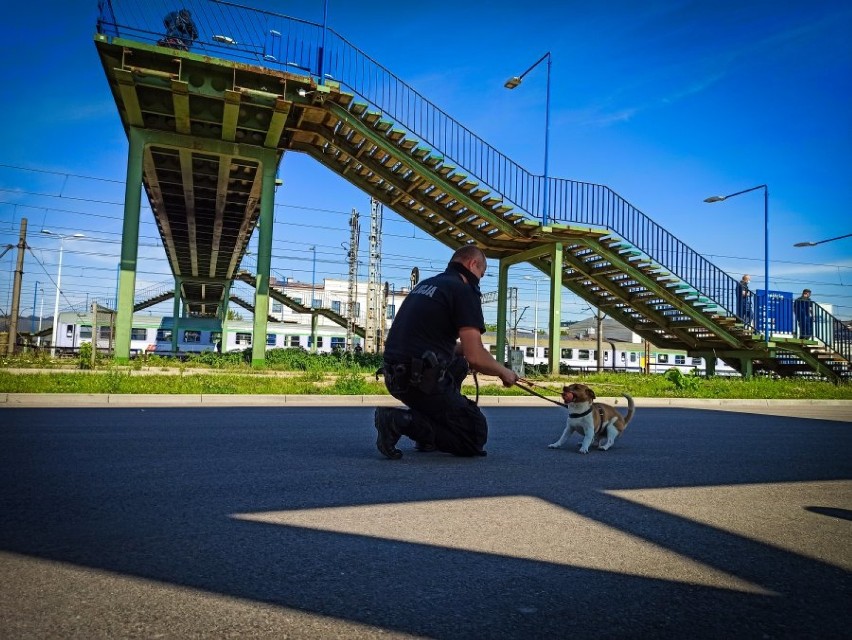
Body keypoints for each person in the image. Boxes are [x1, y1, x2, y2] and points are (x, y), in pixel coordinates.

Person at [375, 246, 519, 459]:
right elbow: (476, 358)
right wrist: (503, 372)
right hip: (419, 380)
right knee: (473, 435)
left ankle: (427, 432)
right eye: (482, 273)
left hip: (395, 376)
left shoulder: (429, 285)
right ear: (472, 265)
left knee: (459, 363)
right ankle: (403, 422)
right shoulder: (463, 290)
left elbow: (432, 340)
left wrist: (466, 350)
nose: (480, 279)